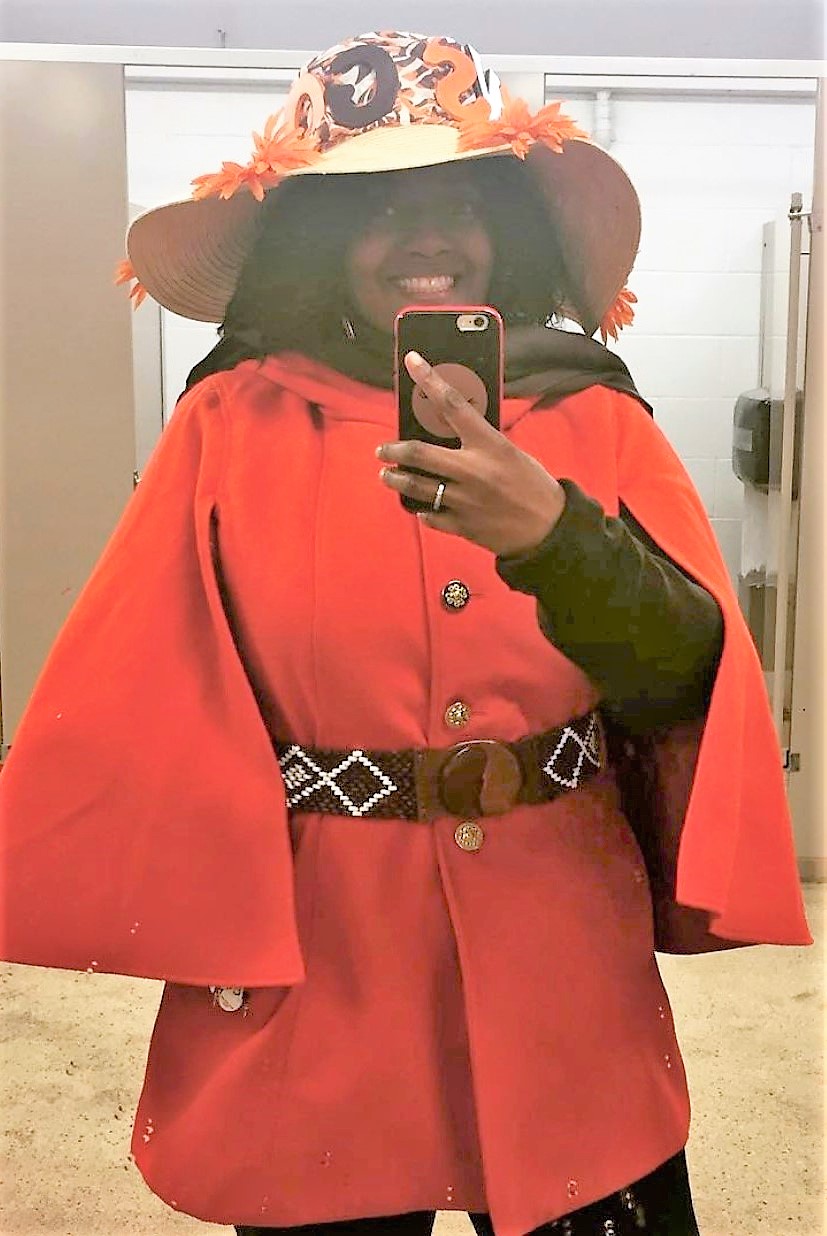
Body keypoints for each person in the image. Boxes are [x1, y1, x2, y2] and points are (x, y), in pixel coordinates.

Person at [0, 29, 812, 1236]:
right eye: (378, 208)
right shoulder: (231, 420)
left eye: (459, 202)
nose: (426, 235)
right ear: (317, 241)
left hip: (555, 937)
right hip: (322, 948)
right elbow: (144, 679)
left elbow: (687, 678)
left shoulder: (593, 418)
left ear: (505, 229)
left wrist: (556, 537)